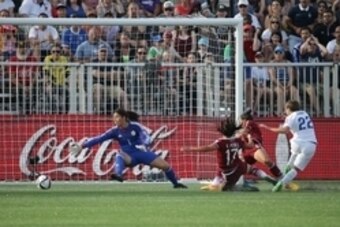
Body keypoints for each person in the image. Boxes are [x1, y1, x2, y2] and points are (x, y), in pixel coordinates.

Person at [69, 108, 187, 189]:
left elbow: (146, 136)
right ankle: (118, 174)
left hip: (142, 153)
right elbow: (98, 139)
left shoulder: (135, 126)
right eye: (113, 118)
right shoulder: (114, 131)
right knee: (119, 155)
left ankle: (176, 184)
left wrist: (146, 142)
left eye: (117, 117)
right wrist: (82, 146)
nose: (114, 120)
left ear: (124, 117)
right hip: (129, 157)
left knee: (166, 166)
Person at [181, 117, 275, 192]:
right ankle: (267, 177)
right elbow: (250, 146)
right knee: (252, 169)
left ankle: (239, 188)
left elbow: (206, 148)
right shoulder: (238, 141)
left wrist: (190, 149)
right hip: (240, 166)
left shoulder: (220, 143)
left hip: (228, 172)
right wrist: (249, 137)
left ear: (222, 131)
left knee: (225, 189)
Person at [259, 100, 317, 192]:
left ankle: (285, 176)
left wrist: (268, 128)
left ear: (288, 109)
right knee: (296, 169)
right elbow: (298, 121)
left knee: (293, 156)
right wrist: (287, 118)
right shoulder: (305, 113)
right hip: (310, 144)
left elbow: (285, 130)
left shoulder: (290, 117)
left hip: (296, 143)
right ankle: (282, 183)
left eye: (285, 109)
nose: (285, 112)